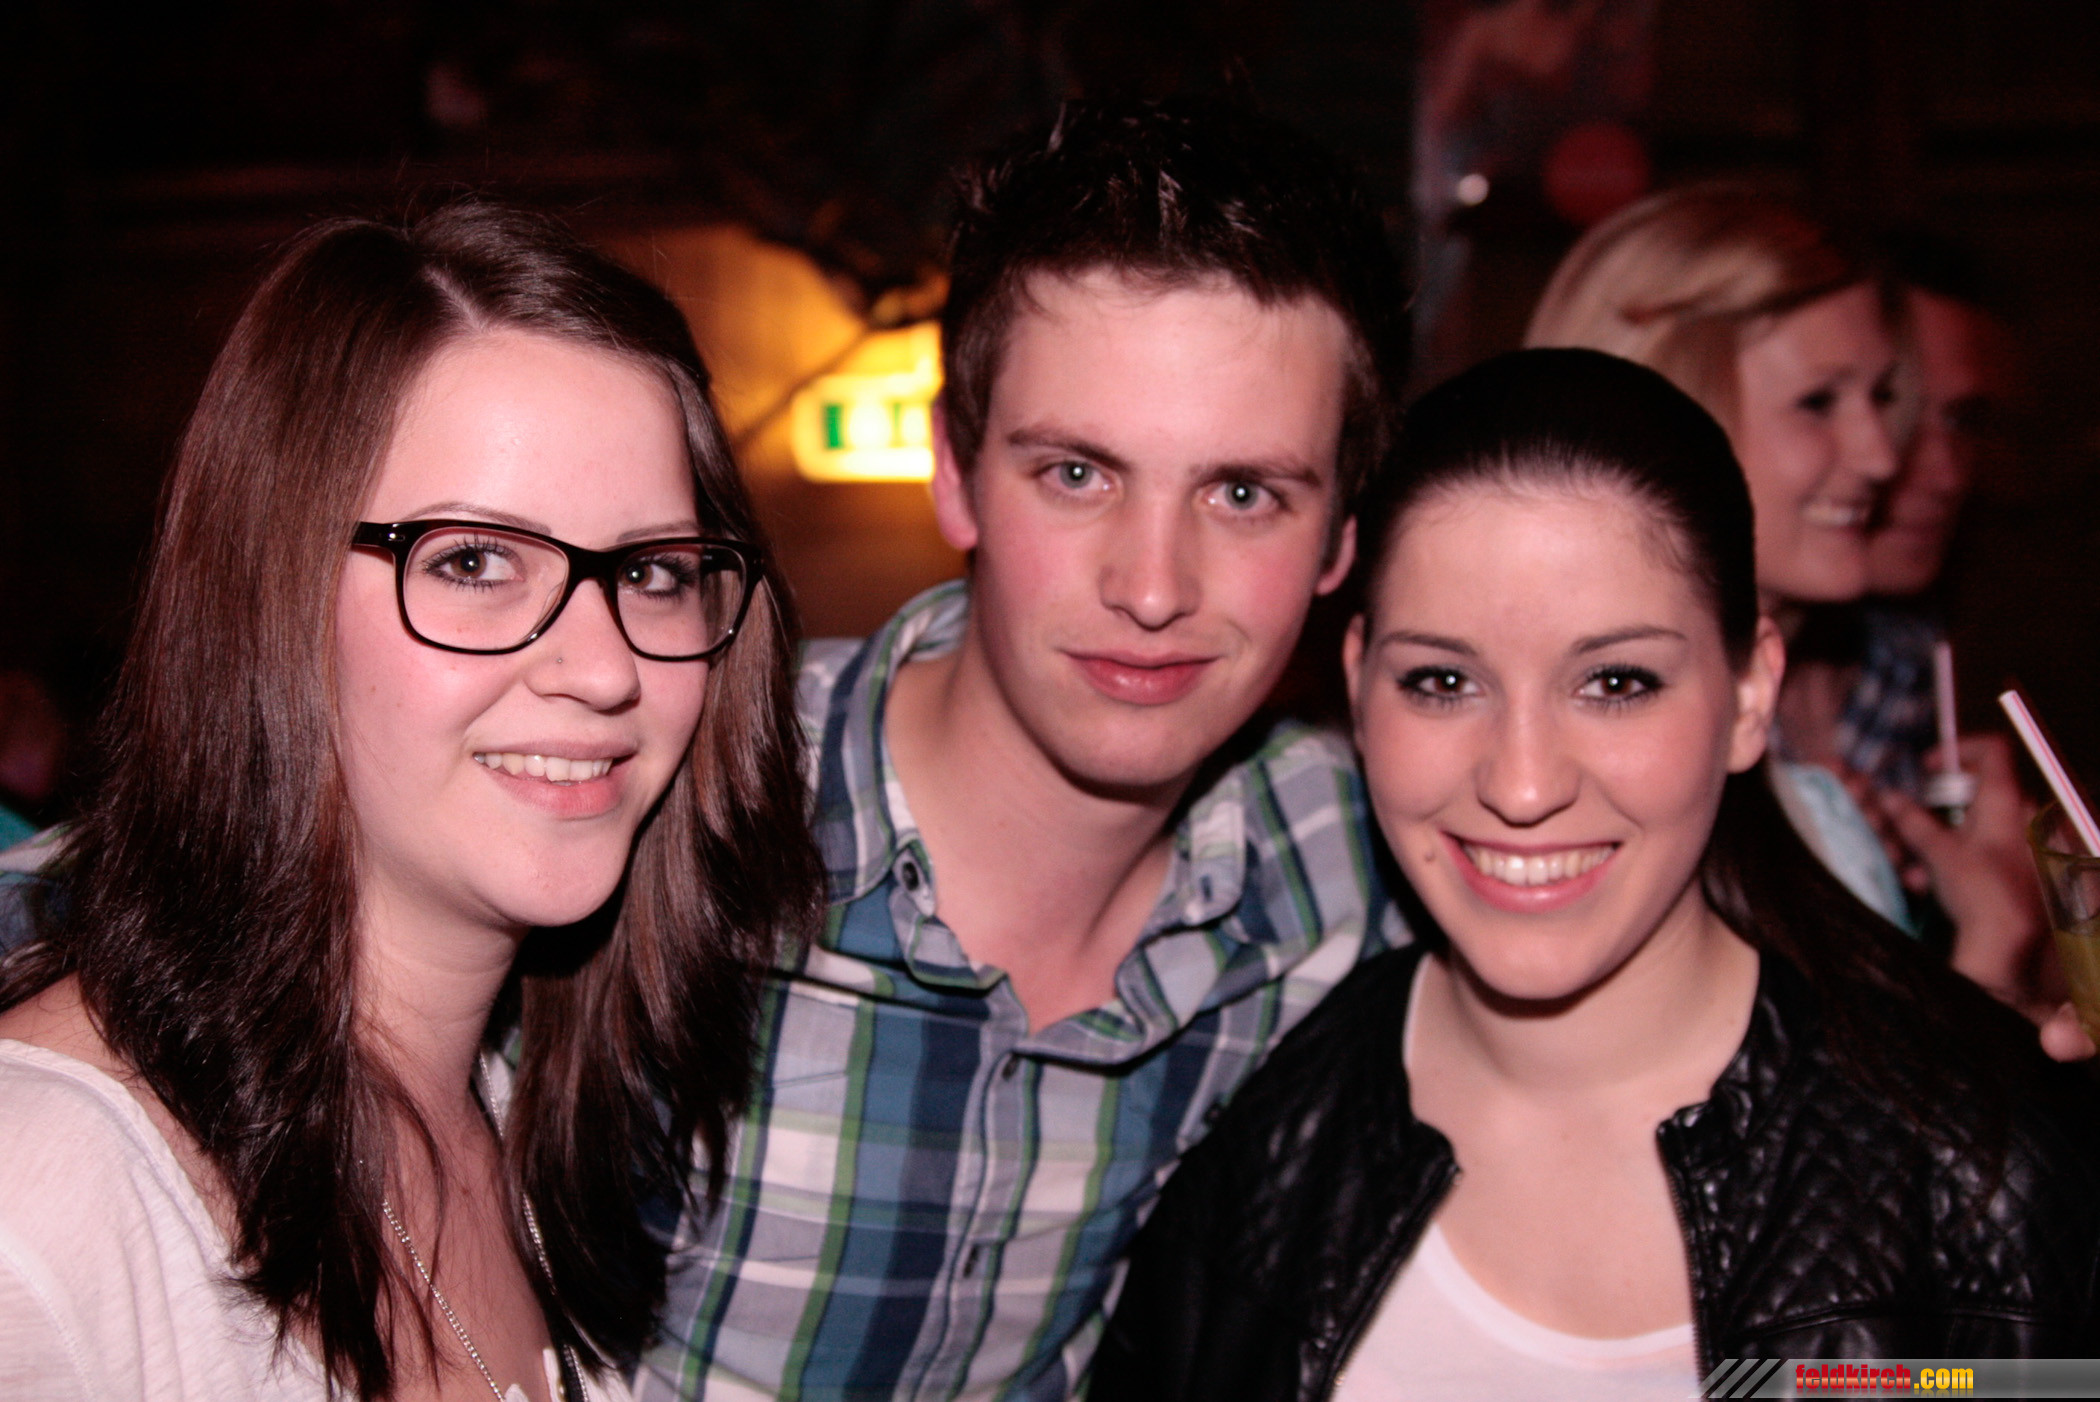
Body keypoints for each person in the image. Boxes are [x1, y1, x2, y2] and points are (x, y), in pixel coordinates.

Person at [1090, 349, 2100, 1402]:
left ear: (1750, 694)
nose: (1523, 785)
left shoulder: (1982, 1177)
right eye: (1442, 681)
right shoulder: (1254, 1135)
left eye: (1616, 682)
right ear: (1358, 686)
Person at [639, 96, 1409, 1401]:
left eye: (1243, 493)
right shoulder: (681, 802)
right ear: (954, 472)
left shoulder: (1353, 860)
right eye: (1077, 474)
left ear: (1340, 537)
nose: (1152, 586)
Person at [0, 203, 822, 1401]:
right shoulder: (40, 1205)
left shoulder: (512, 1119)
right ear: (269, 596)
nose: (603, 668)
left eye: (652, 571)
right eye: (474, 561)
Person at [1521, 184, 2059, 982]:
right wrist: (1993, 943)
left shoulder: (1797, 775)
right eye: (1819, 402)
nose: (1881, 454)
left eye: (1880, 397)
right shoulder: (1603, 766)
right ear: (1673, 403)